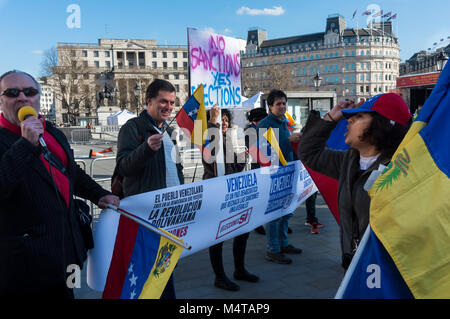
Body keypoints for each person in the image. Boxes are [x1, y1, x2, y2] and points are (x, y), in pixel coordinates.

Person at [0, 70, 120, 298]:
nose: (22, 98)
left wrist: (98, 194)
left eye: (30, 92)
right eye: (12, 92)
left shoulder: (53, 132)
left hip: (65, 250)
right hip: (25, 265)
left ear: (37, 97)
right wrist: (25, 145)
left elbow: (70, 171)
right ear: (1, 100)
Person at [298, 93, 412, 270]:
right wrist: (331, 117)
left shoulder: (399, 169)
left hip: (387, 271)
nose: (349, 120)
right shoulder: (348, 161)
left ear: (381, 124)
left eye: (359, 116)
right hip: (353, 266)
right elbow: (308, 153)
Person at [116, 79, 184, 299]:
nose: (168, 107)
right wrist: (145, 148)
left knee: (166, 267)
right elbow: (123, 166)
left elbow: (176, 168)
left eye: (172, 102)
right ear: (148, 101)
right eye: (163, 101)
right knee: (150, 272)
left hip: (171, 212)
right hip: (147, 214)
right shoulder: (133, 127)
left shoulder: (170, 130)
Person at [203, 105, 259, 291]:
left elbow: (234, 167)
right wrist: (212, 122)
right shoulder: (207, 138)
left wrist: (243, 157)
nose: (224, 123)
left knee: (242, 229)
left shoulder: (225, 137)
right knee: (216, 236)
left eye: (226, 120)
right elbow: (212, 164)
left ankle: (239, 269)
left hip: (232, 191)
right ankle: (219, 277)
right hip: (215, 191)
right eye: (221, 120)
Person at [257, 89, 302, 265]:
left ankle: (283, 243)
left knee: (287, 210)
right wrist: (289, 141)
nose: (282, 106)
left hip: (288, 170)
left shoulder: (284, 122)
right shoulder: (265, 124)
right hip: (274, 175)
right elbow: (263, 150)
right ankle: (273, 249)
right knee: (275, 213)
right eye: (278, 104)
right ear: (270, 106)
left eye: (284, 103)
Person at [245, 107, 268, 235]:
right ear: (256, 120)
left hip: (265, 166)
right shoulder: (250, 131)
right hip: (257, 167)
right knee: (258, 198)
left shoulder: (261, 129)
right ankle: (257, 224)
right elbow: (254, 149)